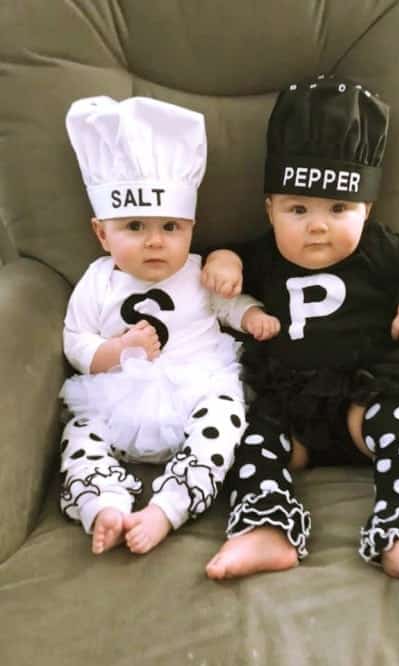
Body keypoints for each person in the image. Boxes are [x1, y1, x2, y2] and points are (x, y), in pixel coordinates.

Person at [202, 76, 399, 582]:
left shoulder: (383, 248)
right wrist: (224, 261)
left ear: (367, 210)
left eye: (339, 209)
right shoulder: (261, 252)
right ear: (270, 210)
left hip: (365, 400)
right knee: (249, 439)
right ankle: (264, 527)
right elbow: (224, 250)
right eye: (297, 209)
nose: (317, 225)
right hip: (290, 407)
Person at [59, 96, 277, 556]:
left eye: (171, 227)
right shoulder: (97, 281)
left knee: (226, 420)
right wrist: (116, 351)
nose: (155, 241)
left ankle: (170, 506)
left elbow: (230, 307)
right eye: (134, 226)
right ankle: (102, 505)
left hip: (198, 387)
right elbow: (75, 340)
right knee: (79, 434)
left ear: (191, 229)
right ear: (102, 233)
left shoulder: (199, 271)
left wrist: (253, 315)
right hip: (115, 398)